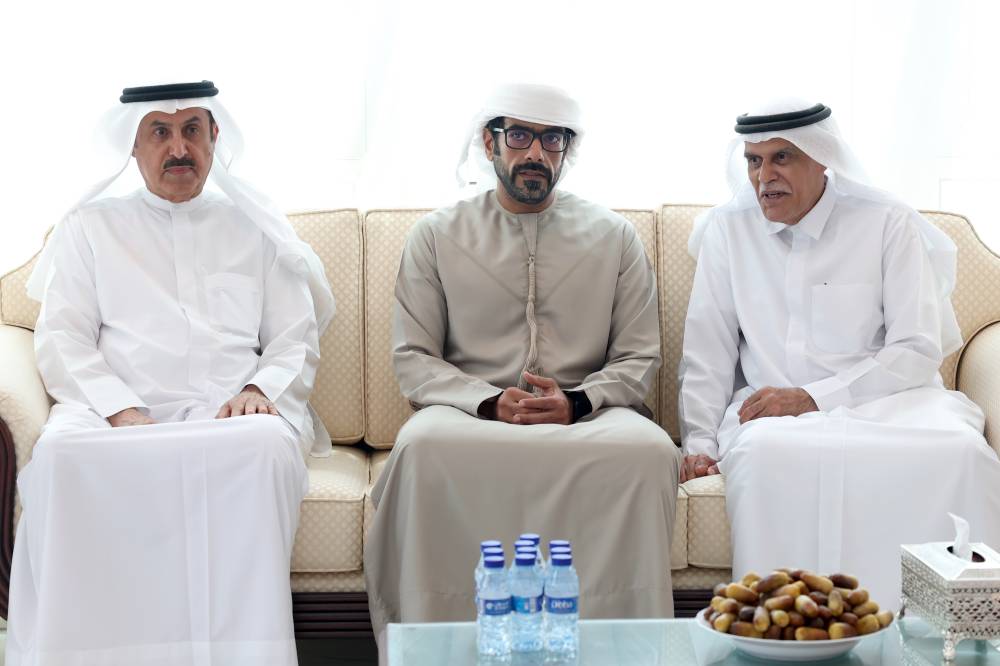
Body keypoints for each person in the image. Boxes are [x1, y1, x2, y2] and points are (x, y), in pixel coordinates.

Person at [7, 81, 335, 666]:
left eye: (191, 131)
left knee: (264, 447)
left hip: (228, 413)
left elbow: (295, 334)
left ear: (215, 137)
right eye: (160, 131)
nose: (178, 148)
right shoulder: (90, 227)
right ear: (133, 146)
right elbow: (63, 337)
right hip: (115, 411)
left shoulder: (254, 226)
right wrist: (119, 409)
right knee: (60, 456)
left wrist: (258, 389)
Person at [364, 83, 682, 639]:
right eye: (519, 136)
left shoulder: (615, 236)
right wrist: (488, 401)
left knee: (651, 450)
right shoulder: (436, 235)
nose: (535, 153)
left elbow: (638, 357)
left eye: (551, 139)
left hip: (588, 413)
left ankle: (620, 648)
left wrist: (577, 402)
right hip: (469, 413)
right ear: (490, 144)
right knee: (421, 446)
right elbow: (414, 358)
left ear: (566, 150)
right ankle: (442, 646)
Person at [678, 99, 1000, 606]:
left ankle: (945, 631)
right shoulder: (729, 229)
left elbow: (916, 349)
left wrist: (813, 397)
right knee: (763, 455)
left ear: (822, 157)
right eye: (754, 161)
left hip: (893, 404)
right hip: (774, 417)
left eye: (782, 158)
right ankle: (783, 630)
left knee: (961, 453)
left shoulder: (886, 221)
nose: (764, 177)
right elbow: (707, 348)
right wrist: (699, 443)